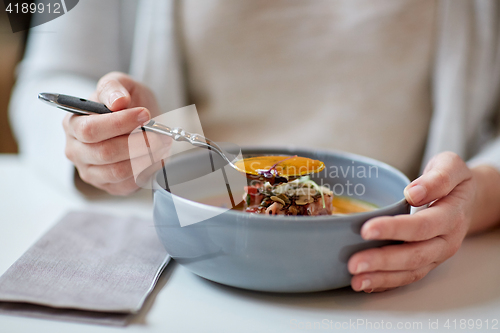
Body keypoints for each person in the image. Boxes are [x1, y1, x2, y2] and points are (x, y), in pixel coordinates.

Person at [9, 0, 500, 293]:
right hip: (183, 257)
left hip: (407, 264)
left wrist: (479, 190)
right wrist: (94, 141)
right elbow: (52, 71)